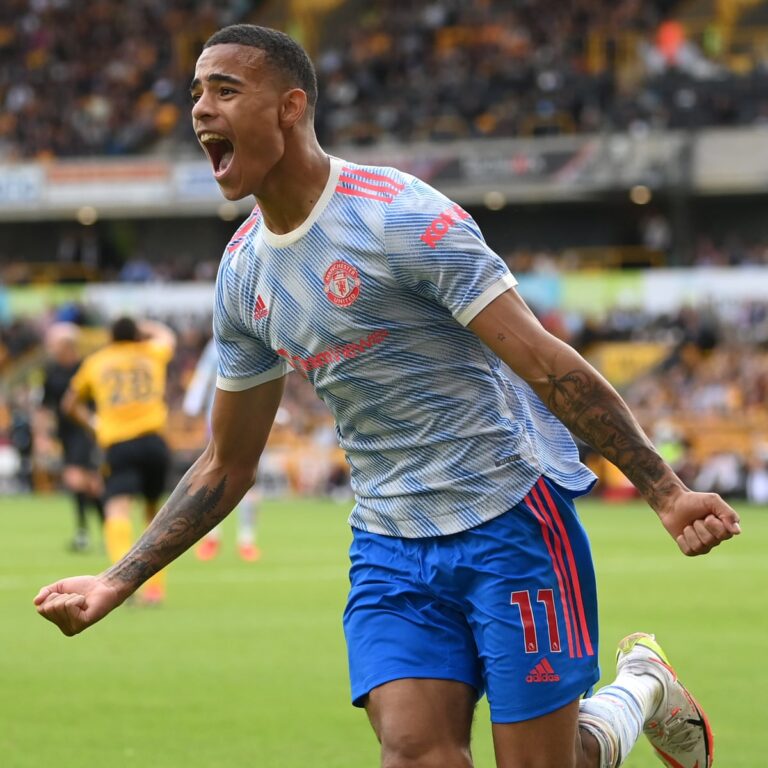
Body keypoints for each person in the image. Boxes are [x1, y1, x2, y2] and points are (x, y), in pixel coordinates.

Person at [35, 25, 740, 768]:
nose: (201, 109)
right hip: (390, 543)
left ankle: (640, 688)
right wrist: (116, 580)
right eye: (196, 93)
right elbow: (226, 463)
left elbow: (544, 362)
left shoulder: (400, 216)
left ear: (290, 107)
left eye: (225, 90)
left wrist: (665, 491)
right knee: (415, 755)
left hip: (509, 518)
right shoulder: (243, 275)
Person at [59, 316, 176, 605]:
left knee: (117, 510)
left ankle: (124, 583)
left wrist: (94, 424)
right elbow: (167, 336)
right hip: (153, 440)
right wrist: (146, 325)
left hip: (119, 443)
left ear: (110, 337)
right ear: (138, 336)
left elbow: (69, 404)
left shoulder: (97, 361)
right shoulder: (150, 352)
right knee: (154, 513)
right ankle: (155, 589)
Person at [182, 336, 261, 562]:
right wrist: (192, 406)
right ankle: (212, 537)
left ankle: (246, 540)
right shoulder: (219, 340)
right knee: (216, 476)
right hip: (220, 420)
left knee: (249, 479)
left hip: (254, 419)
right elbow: (203, 376)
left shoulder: (258, 336)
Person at [39, 322, 104, 551]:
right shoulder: (52, 372)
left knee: (78, 479)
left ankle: (86, 532)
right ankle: (101, 530)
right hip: (65, 434)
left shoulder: (86, 368)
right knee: (89, 484)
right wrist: (43, 436)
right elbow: (45, 407)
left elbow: (99, 401)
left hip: (85, 432)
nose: (50, 347)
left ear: (67, 344)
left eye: (54, 343)